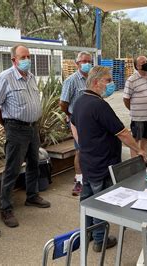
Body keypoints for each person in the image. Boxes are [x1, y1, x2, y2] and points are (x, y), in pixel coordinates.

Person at [70, 66, 146, 252]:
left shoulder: (80, 101)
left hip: (88, 162)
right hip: (102, 163)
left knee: (87, 200)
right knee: (100, 203)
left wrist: (83, 144)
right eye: (108, 80)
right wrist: (139, 150)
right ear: (96, 83)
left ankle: (86, 233)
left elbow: (73, 123)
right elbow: (122, 133)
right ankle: (100, 240)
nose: (110, 84)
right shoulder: (99, 105)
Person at [0, 45, 51, 228]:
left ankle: (32, 196)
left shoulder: (31, 77)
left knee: (34, 163)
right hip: (15, 128)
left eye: (28, 56)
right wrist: (8, 125)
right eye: (22, 57)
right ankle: (6, 209)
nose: (26, 60)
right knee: (12, 169)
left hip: (33, 127)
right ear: (13, 60)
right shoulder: (4, 78)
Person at [59, 51, 92, 196]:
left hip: (91, 122)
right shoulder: (71, 81)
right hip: (77, 122)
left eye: (89, 61)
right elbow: (63, 103)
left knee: (89, 150)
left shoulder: (92, 80)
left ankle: (88, 178)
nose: (87, 64)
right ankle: (79, 181)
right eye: (83, 61)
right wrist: (70, 116)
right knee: (80, 151)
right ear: (77, 63)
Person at [123, 55, 147, 158]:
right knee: (135, 141)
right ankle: (135, 163)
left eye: (146, 61)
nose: (146, 63)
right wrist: (133, 109)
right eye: (143, 62)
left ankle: (144, 161)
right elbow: (126, 98)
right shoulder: (131, 80)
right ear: (137, 66)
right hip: (138, 117)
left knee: (145, 139)